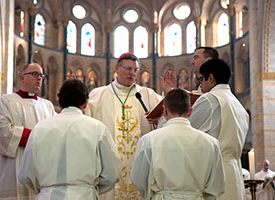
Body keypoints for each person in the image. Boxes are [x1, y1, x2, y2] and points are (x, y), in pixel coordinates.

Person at [18, 79, 121, 199]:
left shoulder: (39, 129)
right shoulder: (98, 128)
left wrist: (47, 187)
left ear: (59, 103)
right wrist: (89, 188)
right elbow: (112, 173)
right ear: (85, 104)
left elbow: (25, 175)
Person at [85, 53, 168, 199]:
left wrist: (168, 94)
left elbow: (169, 118)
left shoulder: (147, 95)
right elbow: (86, 128)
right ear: (117, 68)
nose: (132, 73)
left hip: (140, 167)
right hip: (109, 167)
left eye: (135, 70)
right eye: (128, 69)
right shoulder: (98, 96)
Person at [131, 88, 225, 199]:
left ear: (165, 111)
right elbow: (217, 185)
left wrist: (153, 196)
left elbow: (138, 179)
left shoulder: (148, 140)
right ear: (190, 111)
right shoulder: (211, 143)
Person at [0, 63, 56, 199]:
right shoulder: (7, 101)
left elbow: (57, 133)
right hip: (11, 172)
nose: (39, 78)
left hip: (41, 171)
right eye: (34, 74)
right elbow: (2, 131)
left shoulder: (47, 106)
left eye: (41, 75)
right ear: (22, 77)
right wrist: (38, 137)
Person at [188, 59, 249, 200]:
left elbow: (186, 130)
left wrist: (162, 120)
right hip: (235, 171)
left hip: (215, 174)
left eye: (201, 79)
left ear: (211, 78)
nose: (200, 84)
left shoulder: (210, 99)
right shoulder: (238, 105)